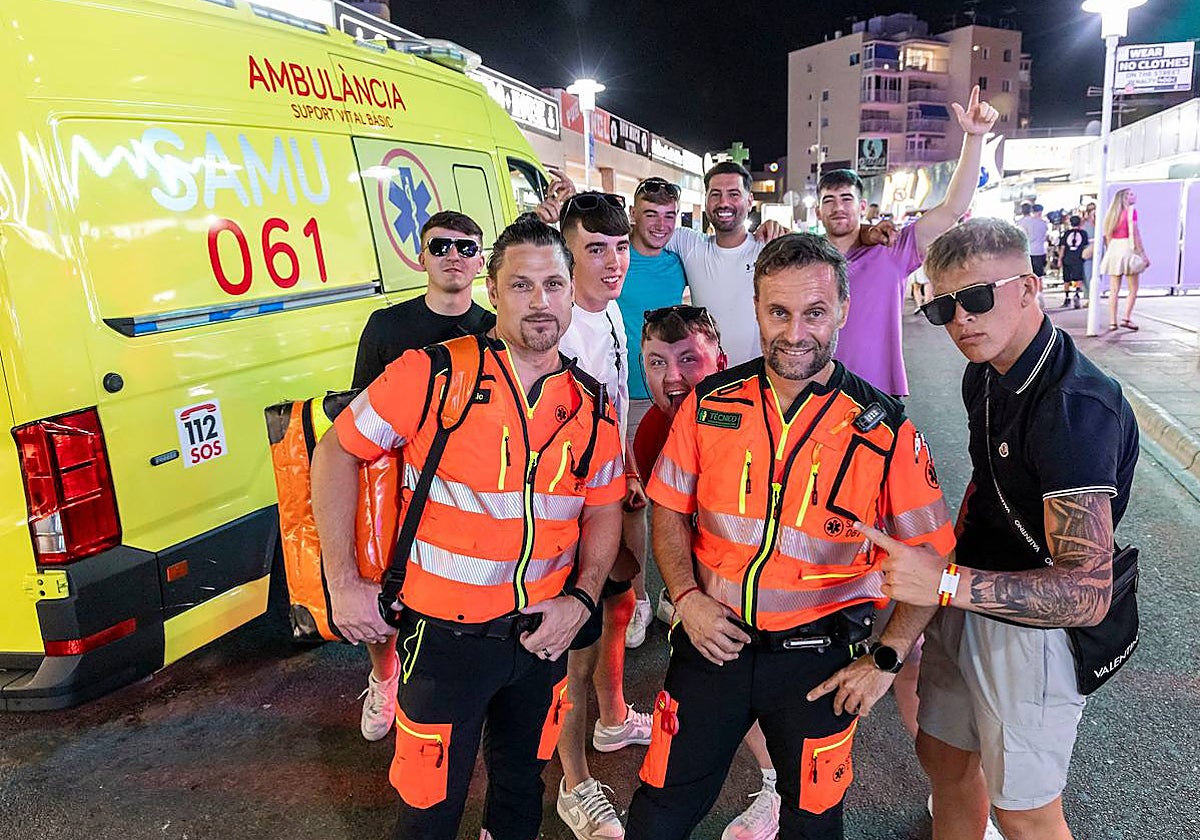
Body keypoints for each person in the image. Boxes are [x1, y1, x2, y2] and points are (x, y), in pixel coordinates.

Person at [624, 233, 956, 840]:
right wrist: (687, 598)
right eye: (778, 312)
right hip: (710, 644)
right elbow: (667, 508)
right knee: (657, 813)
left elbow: (936, 558)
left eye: (815, 312)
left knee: (813, 825)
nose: (795, 332)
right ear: (755, 308)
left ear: (843, 310)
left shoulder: (884, 430)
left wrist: (887, 658)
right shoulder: (708, 405)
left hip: (820, 665)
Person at [312, 215, 625, 840]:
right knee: (428, 807)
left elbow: (602, 510)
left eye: (554, 285)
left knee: (521, 791)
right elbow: (335, 452)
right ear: (492, 289)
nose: (540, 302)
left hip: (540, 639)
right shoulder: (432, 374)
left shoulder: (592, 404)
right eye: (521, 285)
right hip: (443, 642)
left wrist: (581, 600)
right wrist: (342, 582)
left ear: (572, 291)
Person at [888, 217, 1138, 840]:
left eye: (976, 298)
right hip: (968, 594)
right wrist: (944, 568)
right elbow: (986, 483)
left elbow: (1085, 592)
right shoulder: (985, 371)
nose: (960, 320)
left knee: (1025, 813)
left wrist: (943, 584)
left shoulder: (1075, 410)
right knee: (943, 758)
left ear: (1028, 288)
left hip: (1035, 626)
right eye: (942, 306)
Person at [632, 306, 784, 840]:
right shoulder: (652, 433)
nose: (672, 377)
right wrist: (689, 599)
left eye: (688, 360)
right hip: (709, 595)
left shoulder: (761, 420)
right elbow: (674, 522)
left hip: (787, 601)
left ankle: (781, 788)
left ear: (720, 361)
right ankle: (774, 783)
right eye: (656, 362)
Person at [350, 210, 495, 742]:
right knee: (381, 586)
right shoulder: (386, 327)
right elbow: (359, 409)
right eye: (441, 246)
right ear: (421, 257)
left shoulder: (493, 329)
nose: (453, 256)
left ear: (480, 261)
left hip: (467, 489)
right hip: (394, 483)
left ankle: (460, 690)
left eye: (466, 247)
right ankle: (384, 678)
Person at [554, 191, 653, 840]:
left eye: (620, 247)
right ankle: (573, 783)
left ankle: (613, 719)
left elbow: (612, 403)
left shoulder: (611, 309)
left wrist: (628, 467)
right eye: (595, 249)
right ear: (568, 254)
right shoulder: (557, 326)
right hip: (569, 513)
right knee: (574, 651)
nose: (614, 262)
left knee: (622, 606)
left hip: (613, 491)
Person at [817, 85, 999, 398]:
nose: (838, 207)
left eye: (846, 198)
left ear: (862, 206)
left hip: (880, 392)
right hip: (818, 391)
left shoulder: (893, 249)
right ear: (818, 210)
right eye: (829, 200)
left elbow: (952, 208)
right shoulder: (809, 260)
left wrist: (974, 137)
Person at [617, 177, 688, 649]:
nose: (660, 225)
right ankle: (637, 599)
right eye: (650, 214)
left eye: (669, 216)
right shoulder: (616, 256)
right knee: (632, 502)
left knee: (680, 498)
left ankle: (675, 595)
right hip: (626, 398)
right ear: (634, 215)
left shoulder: (681, 258)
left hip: (677, 398)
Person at [1100, 188, 1150, 331]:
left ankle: (1112, 321)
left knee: (1114, 289)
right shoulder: (1131, 212)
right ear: (1125, 197)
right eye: (1131, 194)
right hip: (1127, 247)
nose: (1134, 196)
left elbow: (1107, 236)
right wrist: (1143, 255)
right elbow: (1135, 234)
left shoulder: (1111, 214)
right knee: (1133, 288)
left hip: (1114, 249)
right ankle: (1126, 318)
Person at [1057, 215, 1090, 310]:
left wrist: (1060, 259)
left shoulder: (1066, 233)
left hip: (1067, 258)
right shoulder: (1083, 233)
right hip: (1078, 258)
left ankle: (1067, 297)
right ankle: (1076, 293)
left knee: (1066, 278)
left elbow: (1063, 247)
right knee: (1078, 277)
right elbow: (1085, 246)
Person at [1015, 203, 1049, 279]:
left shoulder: (1019, 222)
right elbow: (1044, 235)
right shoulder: (1041, 222)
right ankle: (1039, 286)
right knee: (1039, 275)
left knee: (1026, 275)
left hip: (1025, 252)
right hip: (1039, 251)